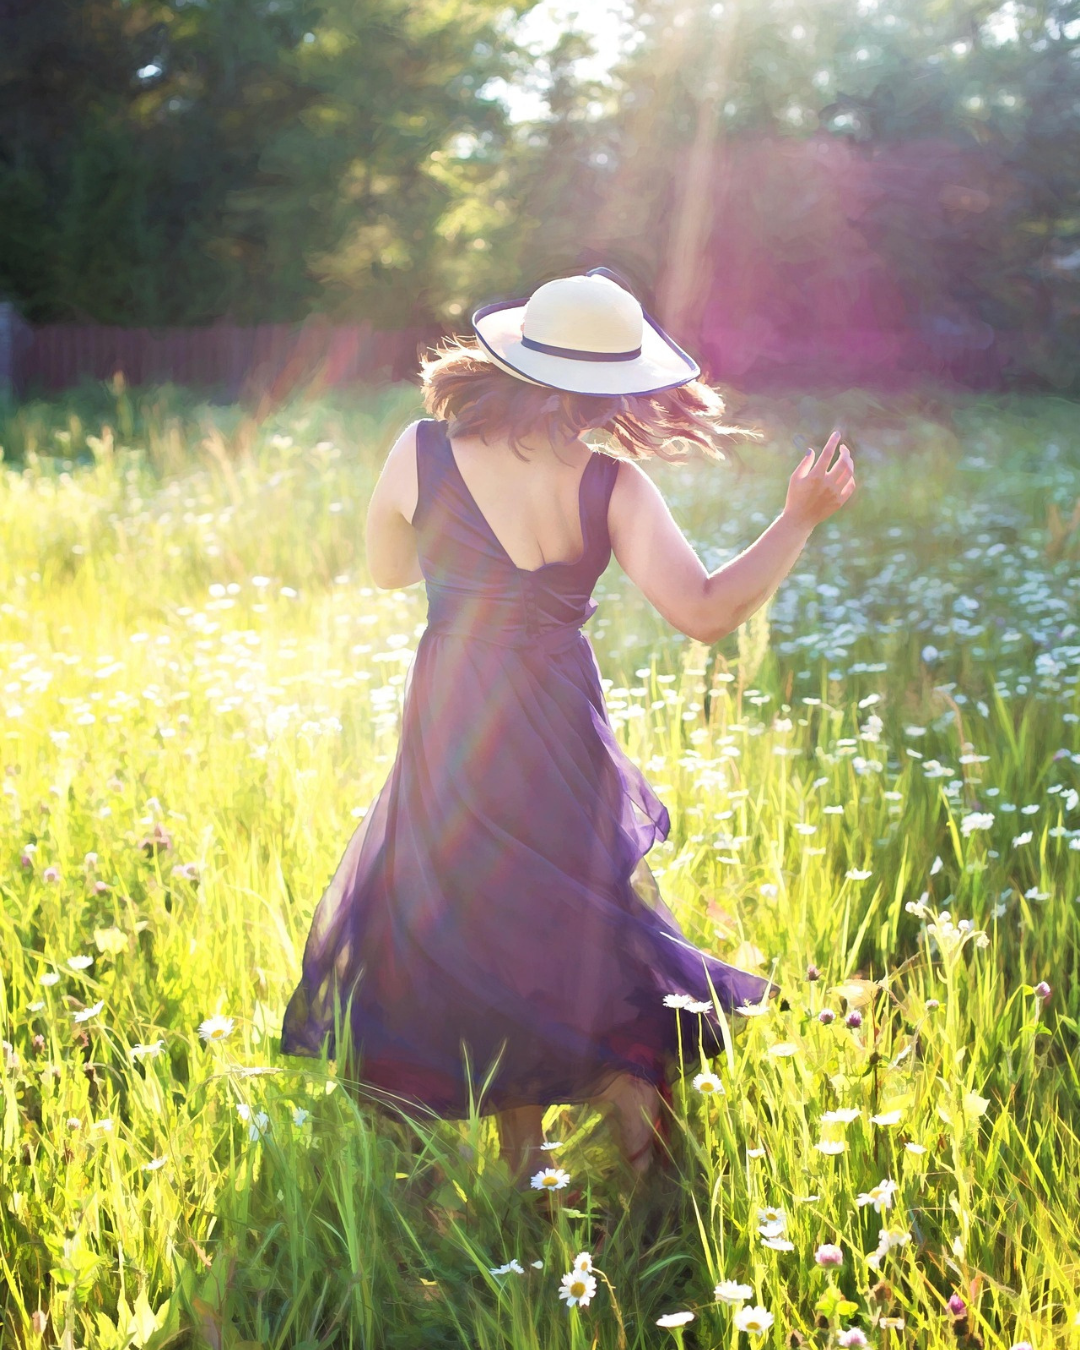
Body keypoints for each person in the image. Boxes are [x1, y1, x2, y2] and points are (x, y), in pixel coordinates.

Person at [279, 267, 856, 1190]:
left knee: (481, 923)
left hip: (455, 720)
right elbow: (705, 613)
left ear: (516, 359)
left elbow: (388, 574)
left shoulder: (421, 449)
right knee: (573, 921)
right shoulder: (611, 485)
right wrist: (795, 521)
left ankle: (525, 1163)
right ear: (606, 387)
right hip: (559, 720)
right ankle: (635, 1150)